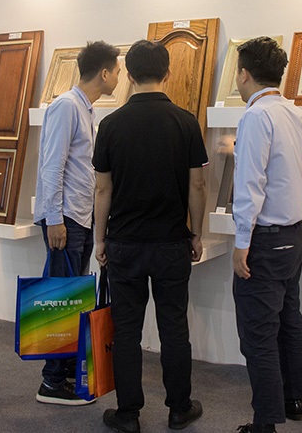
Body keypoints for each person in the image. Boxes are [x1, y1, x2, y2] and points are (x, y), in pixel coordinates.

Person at [93, 39, 207, 433]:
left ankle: (128, 414)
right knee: (174, 326)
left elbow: (102, 189)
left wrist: (100, 239)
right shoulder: (186, 122)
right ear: (168, 73)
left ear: (128, 74)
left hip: (124, 243)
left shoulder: (110, 125)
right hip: (172, 242)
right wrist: (196, 233)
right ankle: (179, 408)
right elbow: (197, 185)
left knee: (126, 329)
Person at [33, 40, 121, 405]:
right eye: (117, 71)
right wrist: (54, 219)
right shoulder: (67, 106)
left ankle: (66, 367)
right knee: (61, 297)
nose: (119, 78)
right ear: (104, 73)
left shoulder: (85, 109)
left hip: (79, 216)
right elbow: (52, 165)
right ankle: (51, 382)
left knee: (74, 296)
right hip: (65, 217)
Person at [231, 37, 302, 433]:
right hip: (295, 236)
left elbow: (251, 185)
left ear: (245, 74)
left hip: (266, 239)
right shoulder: (295, 113)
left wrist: (241, 243)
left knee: (258, 334)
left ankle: (265, 423)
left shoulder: (256, 116)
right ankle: (293, 400)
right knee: (289, 318)